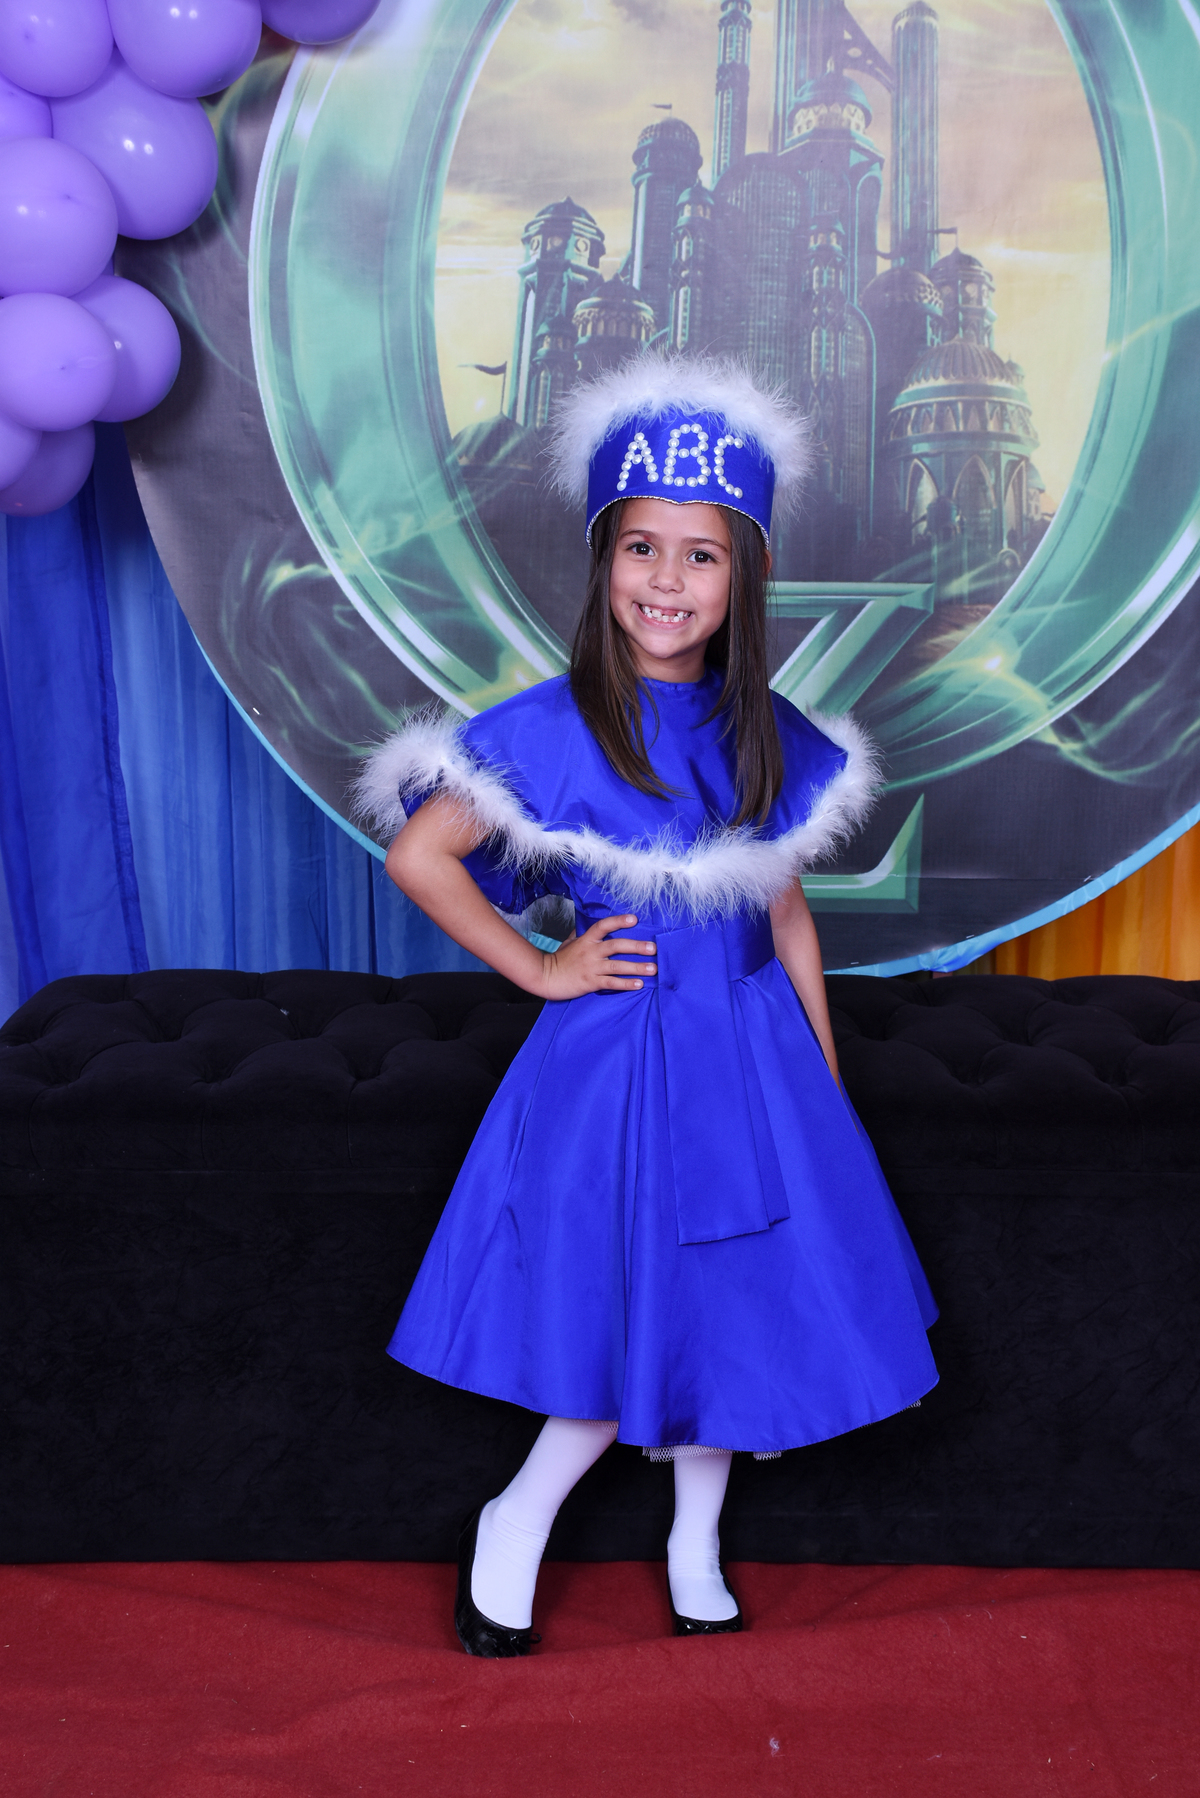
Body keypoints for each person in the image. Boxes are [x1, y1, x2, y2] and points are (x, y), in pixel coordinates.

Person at [354, 355, 938, 1658]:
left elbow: (786, 913)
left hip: (752, 1051)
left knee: (733, 1299)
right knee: (628, 1295)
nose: (666, 581)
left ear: (746, 575)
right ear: (603, 559)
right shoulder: (553, 727)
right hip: (620, 1059)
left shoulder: (762, 729)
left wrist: (820, 1076)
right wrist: (542, 969)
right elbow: (421, 853)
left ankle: (694, 1541)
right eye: (640, 548)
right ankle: (518, 1515)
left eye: (700, 555)